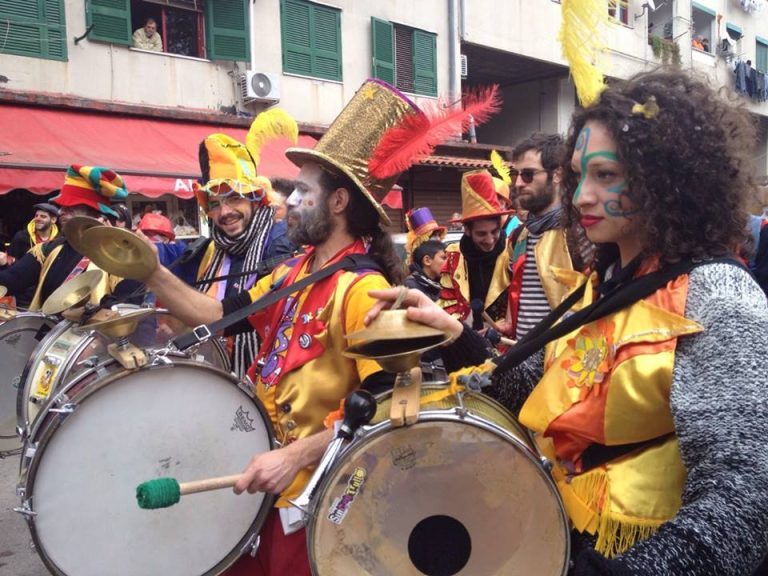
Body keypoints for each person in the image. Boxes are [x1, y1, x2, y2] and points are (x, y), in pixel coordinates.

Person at [367, 69, 768, 575]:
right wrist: (449, 331)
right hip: (560, 533)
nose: (580, 198)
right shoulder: (601, 285)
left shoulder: (719, 298)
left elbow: (749, 494)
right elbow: (530, 391)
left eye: (606, 176)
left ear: (667, 179)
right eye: (579, 177)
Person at [139, 79, 429, 576]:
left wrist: (296, 455)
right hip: (265, 480)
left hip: (321, 496)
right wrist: (151, 272)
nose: (288, 201)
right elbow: (218, 315)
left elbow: (389, 408)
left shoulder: (362, 291)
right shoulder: (291, 273)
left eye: (301, 191)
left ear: (338, 203)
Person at [192, 112, 299, 377]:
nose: (224, 211)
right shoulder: (213, 247)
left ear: (255, 199)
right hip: (217, 372)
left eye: (233, 199)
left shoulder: (279, 241)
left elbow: (270, 316)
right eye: (214, 204)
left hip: (265, 376)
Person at [0, 165, 143, 310]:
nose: (61, 212)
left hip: (96, 332)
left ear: (96, 215)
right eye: (61, 207)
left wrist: (85, 315)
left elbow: (127, 306)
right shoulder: (48, 250)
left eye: (70, 208)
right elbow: (11, 280)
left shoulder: (122, 257)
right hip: (49, 330)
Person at [503, 133, 588, 341]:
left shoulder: (580, 233)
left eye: (528, 175)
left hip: (565, 361)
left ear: (557, 174)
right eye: (517, 175)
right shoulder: (519, 236)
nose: (519, 183)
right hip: (521, 359)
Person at [437, 169, 514, 326]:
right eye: (481, 234)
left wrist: (505, 323)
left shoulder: (512, 252)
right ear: (467, 230)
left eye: (494, 232)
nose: (490, 240)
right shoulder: (453, 257)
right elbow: (448, 305)